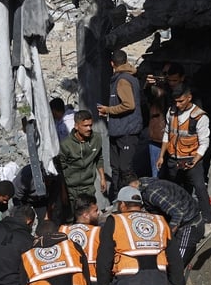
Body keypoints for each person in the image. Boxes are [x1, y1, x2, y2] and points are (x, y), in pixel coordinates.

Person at [121, 174, 203, 285]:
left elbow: (178, 214)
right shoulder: (146, 186)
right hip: (182, 224)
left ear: (133, 186)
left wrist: (165, 235)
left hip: (188, 227)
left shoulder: (152, 192)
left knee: (176, 267)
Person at [157, 83, 211, 229]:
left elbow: (204, 142)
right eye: (175, 101)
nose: (178, 104)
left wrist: (195, 160)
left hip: (191, 160)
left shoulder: (199, 117)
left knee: (200, 188)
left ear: (189, 98)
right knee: (176, 190)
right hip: (173, 160)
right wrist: (161, 156)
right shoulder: (171, 112)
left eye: (181, 101)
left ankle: (207, 221)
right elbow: (167, 134)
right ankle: (180, 217)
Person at [97, 49, 142, 196]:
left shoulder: (123, 80)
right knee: (116, 168)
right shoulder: (122, 78)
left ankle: (132, 198)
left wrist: (108, 110)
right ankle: (117, 198)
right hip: (119, 130)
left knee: (125, 169)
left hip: (127, 131)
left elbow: (129, 104)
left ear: (112, 63)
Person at [56, 110, 106, 208]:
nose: (89, 128)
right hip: (71, 189)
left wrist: (102, 178)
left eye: (90, 125)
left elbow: (99, 158)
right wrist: (63, 192)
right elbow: (60, 170)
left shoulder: (96, 138)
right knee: (71, 219)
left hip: (88, 188)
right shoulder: (66, 145)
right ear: (76, 126)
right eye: (85, 126)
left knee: (90, 216)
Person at [144, 63, 185, 177]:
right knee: (156, 171)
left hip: (177, 138)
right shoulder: (158, 90)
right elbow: (149, 93)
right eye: (165, 74)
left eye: (171, 75)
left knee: (176, 173)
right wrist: (148, 85)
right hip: (158, 136)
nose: (168, 78)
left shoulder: (184, 92)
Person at [58, 193, 101, 285]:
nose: (98, 213)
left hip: (70, 282)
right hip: (93, 280)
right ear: (85, 215)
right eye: (95, 211)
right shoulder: (98, 232)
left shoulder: (63, 230)